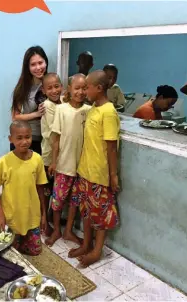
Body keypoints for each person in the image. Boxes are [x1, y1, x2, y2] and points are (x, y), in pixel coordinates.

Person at [68, 70, 120, 267]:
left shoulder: (108, 112)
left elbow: (111, 146)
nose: (84, 90)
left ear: (99, 88)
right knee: (87, 211)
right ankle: (86, 244)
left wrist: (113, 175)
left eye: (87, 87)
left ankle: (97, 251)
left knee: (100, 214)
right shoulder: (92, 109)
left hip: (99, 173)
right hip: (85, 170)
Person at [45, 74, 91, 247]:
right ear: (69, 90)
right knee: (57, 201)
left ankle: (68, 230)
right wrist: (54, 162)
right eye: (77, 88)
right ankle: (56, 229)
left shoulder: (88, 110)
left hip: (81, 167)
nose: (80, 92)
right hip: (64, 165)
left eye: (84, 88)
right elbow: (55, 139)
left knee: (74, 201)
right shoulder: (61, 109)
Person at [0, 121, 48, 256]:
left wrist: (44, 215)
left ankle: (23, 240)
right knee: (9, 253)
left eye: (27, 137)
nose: (24, 141)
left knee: (35, 251)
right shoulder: (4, 161)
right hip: (11, 216)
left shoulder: (37, 159)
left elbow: (40, 188)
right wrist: (0, 214)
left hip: (31, 216)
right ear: (10, 139)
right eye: (19, 138)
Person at [11, 46, 49, 154]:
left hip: (47, 141)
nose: (38, 67)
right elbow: (15, 117)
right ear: (27, 67)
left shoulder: (52, 83)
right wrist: (37, 114)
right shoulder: (23, 87)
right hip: (27, 140)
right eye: (33, 64)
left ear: (46, 62)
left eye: (40, 62)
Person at [40, 73, 64, 235]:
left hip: (61, 155)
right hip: (49, 156)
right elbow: (55, 131)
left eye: (57, 86)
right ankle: (44, 219)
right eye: (50, 88)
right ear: (44, 90)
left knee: (57, 188)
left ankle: (50, 216)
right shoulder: (48, 105)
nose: (54, 90)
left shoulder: (62, 103)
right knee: (47, 190)